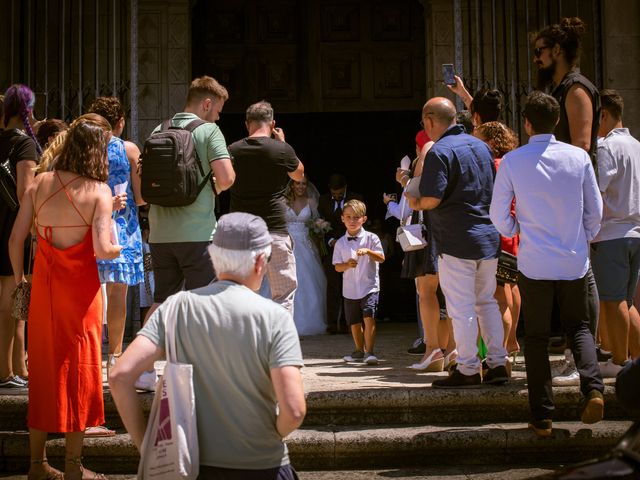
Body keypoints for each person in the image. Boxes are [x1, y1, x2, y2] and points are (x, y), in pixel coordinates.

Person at [109, 212, 306, 479]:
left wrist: (147, 447)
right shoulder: (276, 318)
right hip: (263, 465)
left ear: (213, 257)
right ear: (261, 261)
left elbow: (120, 376)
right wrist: (270, 435)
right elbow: (294, 410)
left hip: (193, 466)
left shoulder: (176, 308)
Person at [9, 113, 121, 480]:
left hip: (44, 292)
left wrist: (21, 278)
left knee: (42, 372)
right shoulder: (99, 191)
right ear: (97, 152)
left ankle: (37, 464)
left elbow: (15, 239)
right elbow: (104, 250)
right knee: (81, 372)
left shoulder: (39, 183)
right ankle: (74, 466)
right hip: (83, 297)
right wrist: (119, 241)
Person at [490, 91, 604, 437]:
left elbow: (498, 214)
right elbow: (595, 211)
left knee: (536, 338)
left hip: (534, 262)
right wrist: (581, 237)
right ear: (558, 121)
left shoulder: (513, 161)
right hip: (573, 260)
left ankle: (542, 415)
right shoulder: (578, 157)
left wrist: (515, 230)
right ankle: (593, 390)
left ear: (526, 123)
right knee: (580, 327)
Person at [406, 97, 508, 388]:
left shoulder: (440, 151)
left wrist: (414, 200)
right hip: (487, 237)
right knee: (486, 302)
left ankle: (467, 368)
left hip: (456, 238)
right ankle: (498, 363)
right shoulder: (481, 146)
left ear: (429, 121)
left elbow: (433, 198)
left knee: (460, 306)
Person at [143, 76, 235, 389]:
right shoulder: (210, 131)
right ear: (206, 104)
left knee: (160, 300)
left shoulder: (158, 129)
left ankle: (143, 369)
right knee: (206, 301)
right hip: (197, 233)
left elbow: (143, 191)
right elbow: (226, 177)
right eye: (218, 109)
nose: (219, 116)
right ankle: (203, 371)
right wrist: (215, 186)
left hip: (159, 233)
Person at [532, 16, 601, 385]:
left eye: (540, 51)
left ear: (557, 50)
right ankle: (575, 353)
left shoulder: (575, 89)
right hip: (558, 197)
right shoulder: (558, 89)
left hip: (572, 198)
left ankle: (582, 354)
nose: (536, 58)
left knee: (581, 278)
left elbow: (582, 148)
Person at [228, 101, 305, 315]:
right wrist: (283, 143)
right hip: (274, 231)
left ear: (247, 124)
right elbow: (299, 175)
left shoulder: (232, 150)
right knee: (283, 294)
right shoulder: (281, 149)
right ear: (273, 124)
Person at [88, 96, 145, 374]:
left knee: (91, 290)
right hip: (123, 226)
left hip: (92, 223)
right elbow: (142, 197)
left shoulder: (86, 148)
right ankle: (116, 354)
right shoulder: (129, 150)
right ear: (120, 122)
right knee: (118, 293)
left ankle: (92, 350)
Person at [396, 132, 456, 372]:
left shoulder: (430, 149)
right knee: (452, 292)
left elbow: (416, 192)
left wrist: (404, 180)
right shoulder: (457, 151)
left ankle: (432, 350)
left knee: (426, 290)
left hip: (428, 228)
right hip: (450, 225)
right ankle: (453, 349)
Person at [590, 90, 640, 377]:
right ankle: (635, 360)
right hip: (635, 231)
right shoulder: (636, 145)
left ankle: (619, 361)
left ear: (604, 115)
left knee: (613, 299)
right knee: (627, 299)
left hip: (611, 233)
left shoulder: (607, 147)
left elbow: (598, 189)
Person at [0, 84, 41, 388]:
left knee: (12, 299)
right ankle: (4, 373)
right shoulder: (24, 144)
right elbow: (25, 191)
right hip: (13, 226)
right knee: (11, 299)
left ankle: (18, 368)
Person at [474, 121, 522, 359]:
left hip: (495, 237)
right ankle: (510, 341)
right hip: (512, 237)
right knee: (509, 288)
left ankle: (500, 351)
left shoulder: (492, 166)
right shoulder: (512, 163)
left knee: (497, 298)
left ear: (492, 142)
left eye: (479, 139)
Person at [333, 199, 385, 365]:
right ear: (342, 218)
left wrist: (369, 251)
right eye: (348, 217)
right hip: (350, 288)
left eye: (356, 217)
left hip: (369, 285)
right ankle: (358, 350)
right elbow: (337, 267)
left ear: (364, 219)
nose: (352, 221)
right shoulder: (340, 243)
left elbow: (382, 258)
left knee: (369, 316)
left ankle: (370, 352)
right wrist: (347, 265)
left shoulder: (372, 238)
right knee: (354, 321)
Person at [318, 174, 364, 333]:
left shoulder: (356, 198)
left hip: (351, 245)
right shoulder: (323, 201)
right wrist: (331, 241)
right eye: (333, 193)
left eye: (339, 193)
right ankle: (332, 323)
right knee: (332, 285)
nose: (336, 196)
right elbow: (320, 225)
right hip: (332, 247)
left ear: (345, 188)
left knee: (349, 283)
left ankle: (348, 322)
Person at [284, 178, 327, 335]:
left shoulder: (311, 201)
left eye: (303, 184)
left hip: (305, 244)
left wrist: (319, 228)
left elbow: (316, 221)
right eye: (297, 183)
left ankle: (308, 321)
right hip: (287, 243)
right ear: (292, 185)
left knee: (308, 281)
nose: (301, 186)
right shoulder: (283, 201)